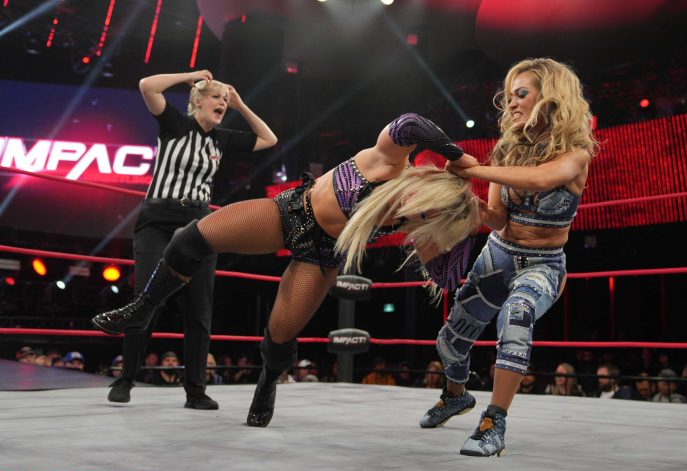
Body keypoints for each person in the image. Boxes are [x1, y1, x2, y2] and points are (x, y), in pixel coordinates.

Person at [92, 112, 481, 427]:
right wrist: (458, 156)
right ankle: (143, 308)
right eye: (425, 207)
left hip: (320, 254)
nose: (417, 214)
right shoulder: (390, 161)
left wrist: (471, 224)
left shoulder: (413, 220)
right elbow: (410, 123)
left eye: (426, 217)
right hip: (290, 212)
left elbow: (445, 276)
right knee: (187, 240)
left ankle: (267, 382)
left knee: (280, 338)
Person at [418, 58, 598, 457]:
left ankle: (493, 422)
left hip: (543, 264)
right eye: (509, 96)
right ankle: (455, 396)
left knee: (516, 315)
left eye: (521, 94)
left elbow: (541, 179)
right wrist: (470, 205)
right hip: (498, 256)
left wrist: (474, 170)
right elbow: (498, 217)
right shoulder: (507, 152)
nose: (511, 103)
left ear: (550, 99)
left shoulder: (577, 154)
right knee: (449, 343)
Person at [95, 69, 278, 408]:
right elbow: (146, 85)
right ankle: (125, 379)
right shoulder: (175, 123)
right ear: (198, 101)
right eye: (217, 97)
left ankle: (195, 391)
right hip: (157, 220)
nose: (222, 102)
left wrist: (240, 104)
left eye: (225, 99)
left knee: (199, 308)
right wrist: (189, 76)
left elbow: (269, 139)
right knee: (145, 299)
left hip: (199, 225)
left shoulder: (221, 138)